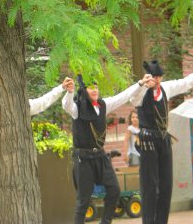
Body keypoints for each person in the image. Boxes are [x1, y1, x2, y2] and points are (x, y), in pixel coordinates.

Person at [130, 60, 193, 224]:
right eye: (155, 77)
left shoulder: (165, 88)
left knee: (166, 185)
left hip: (163, 139)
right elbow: (132, 98)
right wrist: (142, 84)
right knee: (150, 186)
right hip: (148, 141)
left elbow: (186, 82)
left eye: (159, 77)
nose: (158, 81)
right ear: (148, 77)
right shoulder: (141, 92)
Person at [62, 74, 153, 224]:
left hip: (100, 157)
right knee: (83, 200)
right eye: (91, 88)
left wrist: (140, 83)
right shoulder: (77, 108)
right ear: (84, 90)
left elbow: (123, 96)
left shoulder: (103, 105)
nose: (95, 90)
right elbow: (67, 105)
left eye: (96, 87)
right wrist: (70, 91)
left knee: (114, 190)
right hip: (83, 159)